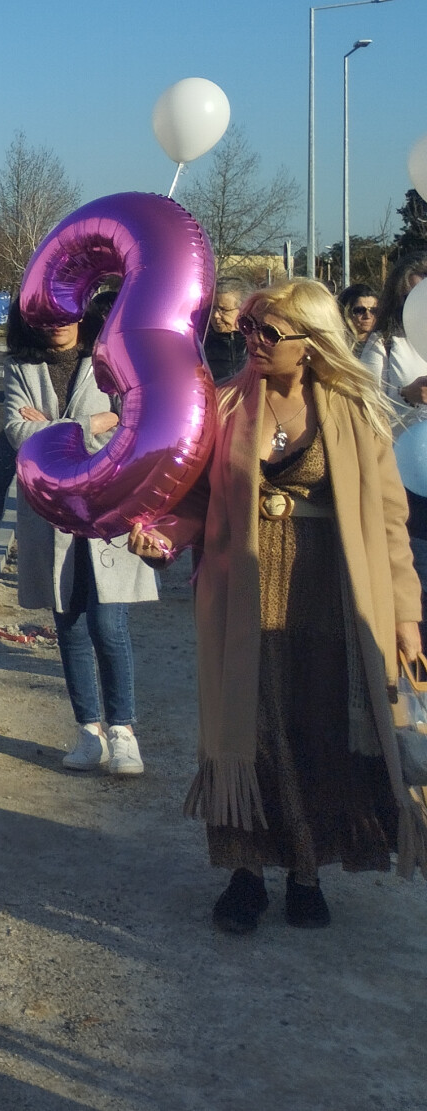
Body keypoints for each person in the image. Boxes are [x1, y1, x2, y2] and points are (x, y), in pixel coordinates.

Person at [136, 280, 424, 934]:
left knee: (318, 723)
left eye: (270, 331)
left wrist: (405, 617)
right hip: (241, 590)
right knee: (252, 729)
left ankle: (306, 870)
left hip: (331, 591)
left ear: (312, 341)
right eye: (250, 328)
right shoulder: (225, 401)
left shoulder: (355, 408)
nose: (253, 339)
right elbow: (190, 501)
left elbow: (388, 521)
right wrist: (162, 537)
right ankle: (247, 873)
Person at [3, 299, 154, 776]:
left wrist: (49, 429)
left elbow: (130, 430)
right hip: (51, 511)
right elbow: (17, 434)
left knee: (109, 626)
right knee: (67, 625)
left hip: (107, 507)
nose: (58, 327)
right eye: (47, 319)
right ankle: (88, 730)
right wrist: (91, 424)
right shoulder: (21, 366)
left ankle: (123, 731)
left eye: (66, 316)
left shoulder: (111, 362)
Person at [357, 251, 427, 581]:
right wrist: (405, 396)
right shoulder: (384, 343)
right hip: (405, 477)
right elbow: (365, 408)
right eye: (412, 295)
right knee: (414, 572)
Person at [204, 279, 252, 386]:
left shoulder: (257, 341)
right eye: (213, 308)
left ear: (244, 310)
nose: (215, 315)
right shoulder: (201, 342)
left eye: (223, 309)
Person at [338, 283, 382, 350]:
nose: (368, 316)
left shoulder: (384, 346)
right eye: (359, 310)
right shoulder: (336, 347)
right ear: (345, 312)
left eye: (373, 310)